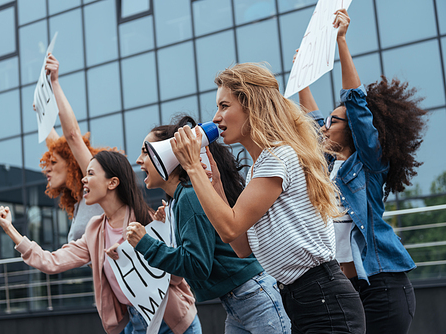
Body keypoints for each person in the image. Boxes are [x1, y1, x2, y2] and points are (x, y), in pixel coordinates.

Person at [165, 21, 368, 334]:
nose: (215, 117)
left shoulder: (277, 158)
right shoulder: (262, 169)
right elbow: (241, 247)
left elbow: (230, 224)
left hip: (324, 302)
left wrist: (193, 167)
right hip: (304, 301)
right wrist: (216, 184)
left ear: (251, 106)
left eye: (224, 105)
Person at [298, 9, 424, 333]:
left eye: (333, 121)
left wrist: (341, 41)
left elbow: (355, 102)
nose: (325, 127)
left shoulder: (368, 164)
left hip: (383, 286)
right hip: (348, 290)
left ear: (352, 129)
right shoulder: (325, 165)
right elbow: (310, 122)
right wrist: (303, 76)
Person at [0, 150, 201, 334]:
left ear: (113, 182)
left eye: (91, 174)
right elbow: (51, 262)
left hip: (171, 321)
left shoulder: (146, 220)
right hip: (136, 322)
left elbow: (174, 278)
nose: (84, 180)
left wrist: (143, 247)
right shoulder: (94, 230)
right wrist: (9, 229)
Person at [125, 115, 291, 334]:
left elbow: (197, 265)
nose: (138, 160)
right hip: (239, 301)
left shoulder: (188, 197)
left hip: (252, 297)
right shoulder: (180, 200)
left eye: (147, 151)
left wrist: (145, 244)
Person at [38, 54, 110, 242]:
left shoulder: (97, 185)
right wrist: (42, 112)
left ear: (72, 164)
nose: (47, 168)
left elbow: (73, 136)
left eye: (53, 162)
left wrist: (54, 82)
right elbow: (56, 143)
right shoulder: (83, 201)